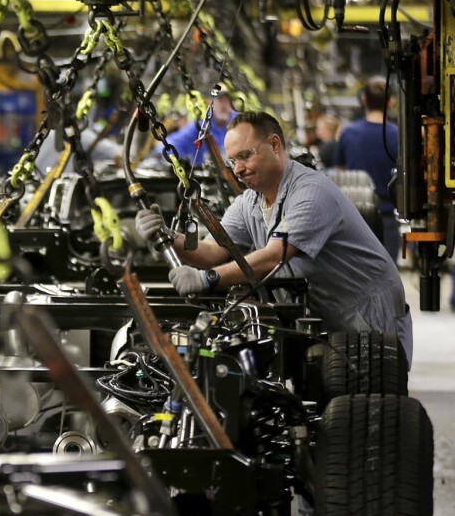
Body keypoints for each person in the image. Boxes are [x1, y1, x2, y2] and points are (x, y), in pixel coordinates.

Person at [136, 111, 413, 366]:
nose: (238, 168)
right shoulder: (250, 202)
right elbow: (211, 249)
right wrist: (169, 236)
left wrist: (208, 279)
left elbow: (274, 255)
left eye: (245, 155)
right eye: (233, 161)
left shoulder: (312, 191)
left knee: (371, 409)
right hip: (328, 318)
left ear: (276, 144)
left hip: (367, 314)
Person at [333, 78, 400, 261]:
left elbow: (339, 173)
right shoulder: (398, 135)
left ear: (364, 100)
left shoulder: (348, 133)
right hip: (386, 215)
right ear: (390, 102)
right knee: (387, 278)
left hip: (355, 218)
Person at [154, 87, 236, 166]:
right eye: (220, 100)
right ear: (209, 101)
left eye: (227, 100)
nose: (224, 104)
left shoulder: (238, 124)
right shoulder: (200, 127)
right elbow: (170, 146)